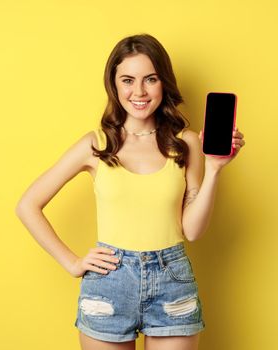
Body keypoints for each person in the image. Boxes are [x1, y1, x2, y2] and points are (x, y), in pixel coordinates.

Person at [15, 33, 245, 350]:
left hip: (172, 281)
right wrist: (72, 263)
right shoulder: (96, 144)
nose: (138, 91)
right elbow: (28, 205)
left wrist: (215, 169)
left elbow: (192, 230)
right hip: (109, 284)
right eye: (128, 80)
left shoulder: (186, 142)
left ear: (163, 82)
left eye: (150, 79)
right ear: (114, 84)